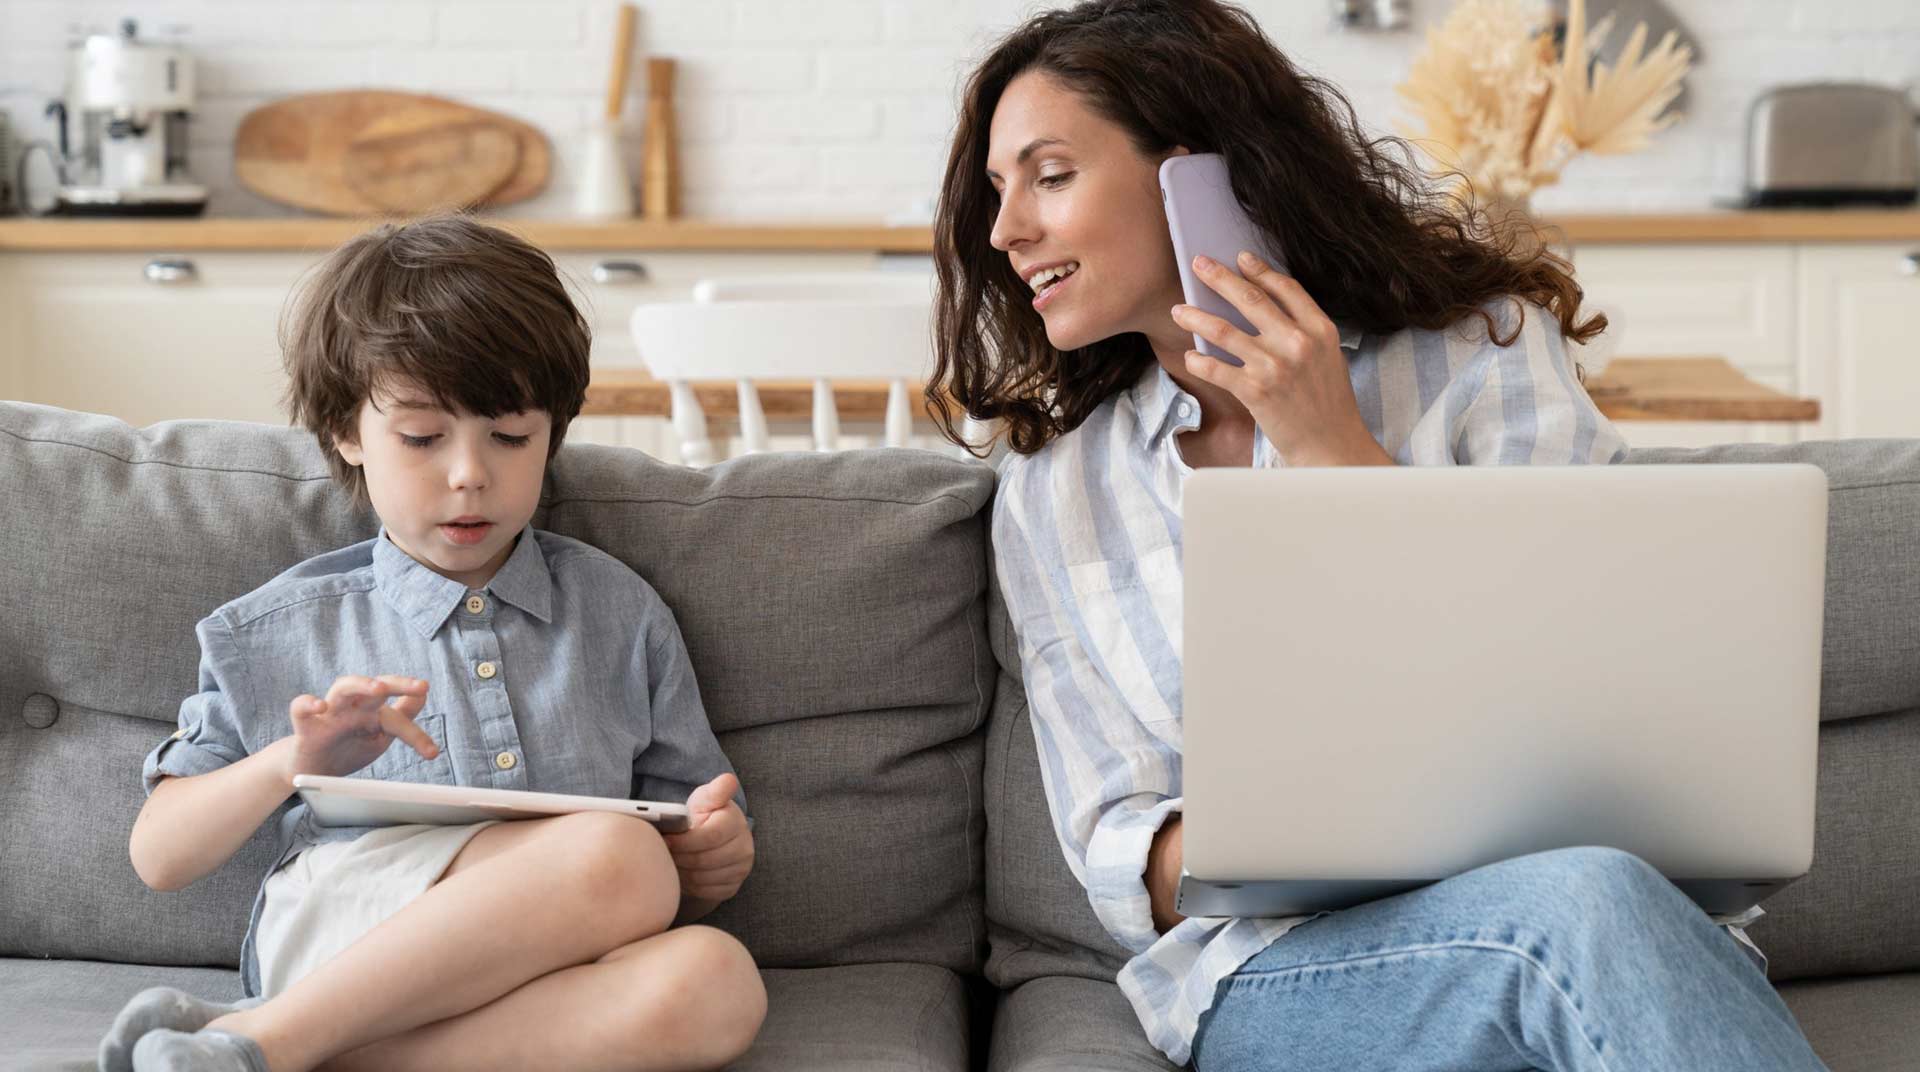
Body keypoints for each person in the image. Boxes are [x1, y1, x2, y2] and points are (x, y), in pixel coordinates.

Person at [927, 2, 1828, 1069]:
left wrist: (1327, 449)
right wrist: (1282, 834)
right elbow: (1117, 843)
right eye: (997, 190)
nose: (1005, 231)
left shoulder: (1483, 358)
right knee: (1586, 910)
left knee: (1585, 905)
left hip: (1597, 919)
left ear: (1197, 177)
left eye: (1051, 175)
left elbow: (1591, 695)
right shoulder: (1058, 494)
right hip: (1284, 969)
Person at [101, 215, 767, 1072]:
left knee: (717, 980)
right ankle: (281, 1033)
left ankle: (253, 1051)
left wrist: (716, 855)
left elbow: (689, 846)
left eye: (510, 437)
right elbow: (159, 857)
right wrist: (290, 760)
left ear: (553, 434)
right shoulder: (278, 626)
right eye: (421, 439)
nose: (468, 474)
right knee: (618, 857)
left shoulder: (619, 612)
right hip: (349, 936)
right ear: (347, 431)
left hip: (552, 964)